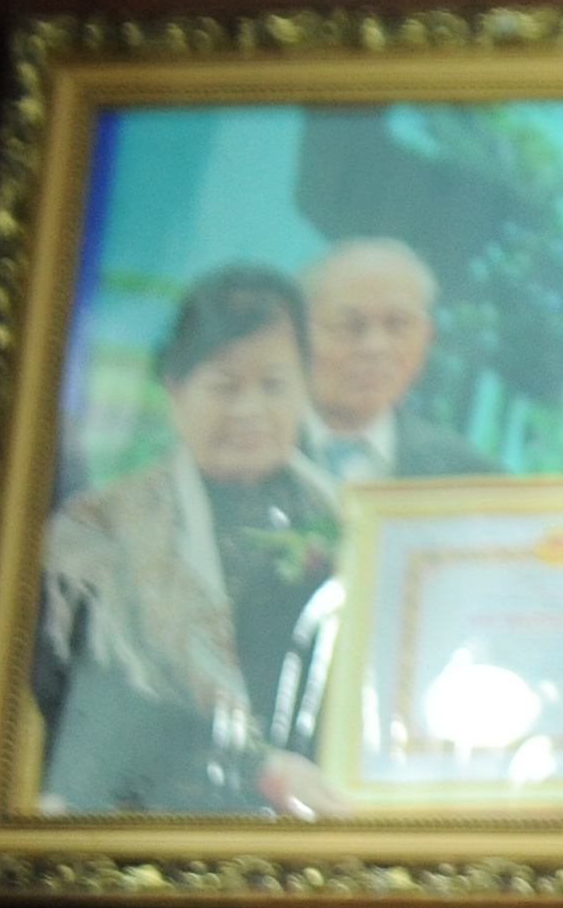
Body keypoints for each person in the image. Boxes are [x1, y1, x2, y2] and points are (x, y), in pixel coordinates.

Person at [34, 262, 352, 816]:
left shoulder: (352, 523)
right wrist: (256, 767)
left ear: (305, 388)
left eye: (274, 385)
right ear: (175, 391)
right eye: (225, 386)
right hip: (144, 817)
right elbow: (80, 699)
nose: (249, 410)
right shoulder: (98, 530)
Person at [298, 236, 494, 483]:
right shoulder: (256, 457)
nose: (374, 347)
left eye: (397, 325)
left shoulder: (469, 478)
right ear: (297, 334)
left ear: (427, 337)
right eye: (349, 326)